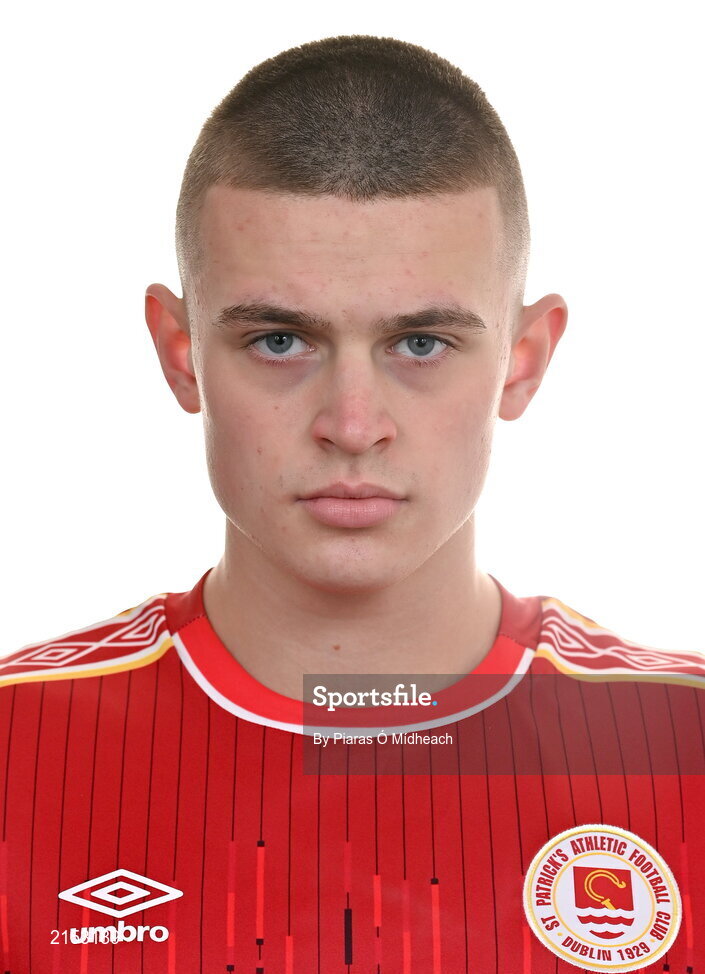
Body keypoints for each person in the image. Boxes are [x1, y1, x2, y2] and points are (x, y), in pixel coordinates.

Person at [0, 34, 703, 973]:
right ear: (179, 352)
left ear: (524, 360)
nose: (352, 424)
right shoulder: (16, 750)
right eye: (281, 339)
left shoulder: (684, 750)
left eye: (420, 344)